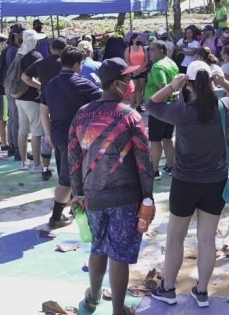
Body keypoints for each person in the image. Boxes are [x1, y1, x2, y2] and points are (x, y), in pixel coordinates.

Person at [148, 61, 229, 307]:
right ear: (210, 82)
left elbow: (151, 105)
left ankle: (168, 287)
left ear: (188, 84)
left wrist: (171, 86)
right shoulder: (223, 108)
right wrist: (222, 82)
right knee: (206, 239)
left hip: (184, 182)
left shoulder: (181, 111)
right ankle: (202, 291)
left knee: (175, 237)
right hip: (215, 182)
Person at [69, 58, 153, 315]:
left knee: (98, 248)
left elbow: (73, 158)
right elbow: (144, 161)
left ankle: (92, 299)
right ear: (117, 84)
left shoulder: (82, 114)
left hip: (92, 196)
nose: (130, 84)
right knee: (118, 255)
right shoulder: (131, 116)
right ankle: (119, 310)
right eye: (127, 79)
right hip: (125, 197)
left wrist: (77, 194)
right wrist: (147, 198)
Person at [41, 46, 102, 228]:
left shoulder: (50, 84)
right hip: (78, 137)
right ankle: (56, 217)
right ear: (77, 64)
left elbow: (43, 111)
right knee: (69, 180)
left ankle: (72, 210)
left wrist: (47, 133)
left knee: (68, 176)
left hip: (57, 135)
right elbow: (105, 99)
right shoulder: (82, 83)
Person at [22, 36, 65, 179]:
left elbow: (25, 77)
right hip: (64, 101)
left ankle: (45, 168)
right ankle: (64, 169)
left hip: (45, 102)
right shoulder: (66, 63)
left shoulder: (40, 63)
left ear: (51, 48)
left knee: (46, 135)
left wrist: (40, 86)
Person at [143, 40, 179, 179]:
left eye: (153, 50)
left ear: (162, 51)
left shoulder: (158, 66)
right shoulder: (172, 63)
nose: (150, 53)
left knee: (155, 140)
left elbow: (163, 87)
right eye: (149, 50)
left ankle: (154, 171)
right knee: (167, 138)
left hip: (158, 108)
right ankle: (170, 167)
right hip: (170, 107)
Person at [15, 31, 46, 169]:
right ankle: (37, 165)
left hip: (19, 96)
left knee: (23, 130)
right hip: (32, 97)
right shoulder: (36, 56)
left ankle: (24, 162)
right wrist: (40, 87)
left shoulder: (19, 54)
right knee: (36, 132)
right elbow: (35, 76)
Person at [4, 27, 24, 159]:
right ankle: (17, 148)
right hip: (14, 86)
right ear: (16, 36)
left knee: (12, 118)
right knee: (16, 119)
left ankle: (12, 145)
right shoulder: (15, 51)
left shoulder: (8, 49)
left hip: (8, 85)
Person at [124, 33, 149, 111]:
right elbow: (127, 61)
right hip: (133, 71)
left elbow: (146, 60)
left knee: (140, 89)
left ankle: (138, 106)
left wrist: (140, 69)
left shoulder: (143, 49)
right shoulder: (129, 49)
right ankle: (131, 107)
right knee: (134, 89)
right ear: (133, 40)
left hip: (142, 71)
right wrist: (135, 70)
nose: (139, 40)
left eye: (140, 39)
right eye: (137, 38)